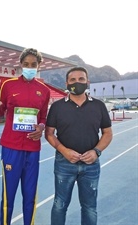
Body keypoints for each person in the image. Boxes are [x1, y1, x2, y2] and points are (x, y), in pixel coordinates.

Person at [0, 48, 50, 225]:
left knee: (30, 195)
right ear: (21, 65)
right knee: (8, 196)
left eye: (33, 65)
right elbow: (0, 112)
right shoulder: (8, 85)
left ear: (38, 66)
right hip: (11, 148)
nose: (29, 67)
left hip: (32, 149)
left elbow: (44, 117)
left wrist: (41, 127)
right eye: (26, 64)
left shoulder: (44, 91)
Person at [45, 66, 113, 225]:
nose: (77, 82)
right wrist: (64, 151)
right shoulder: (57, 107)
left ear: (87, 82)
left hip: (91, 165)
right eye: (73, 80)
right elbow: (48, 133)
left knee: (89, 207)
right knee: (59, 205)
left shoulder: (99, 106)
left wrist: (96, 151)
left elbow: (108, 133)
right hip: (64, 163)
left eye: (81, 79)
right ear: (67, 83)